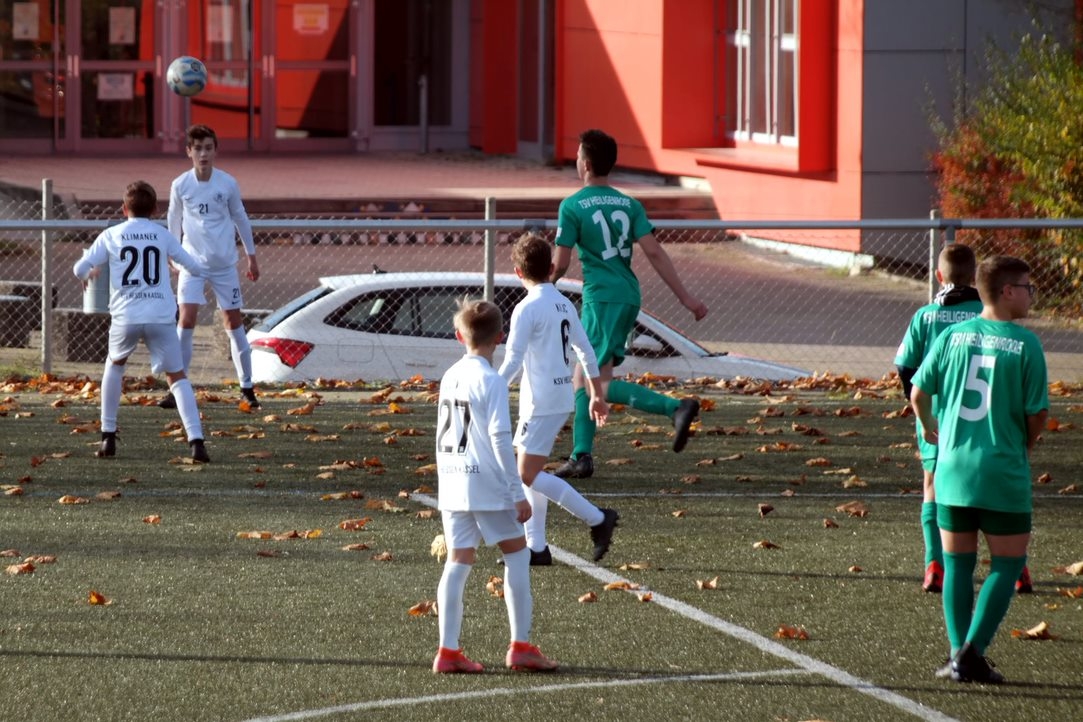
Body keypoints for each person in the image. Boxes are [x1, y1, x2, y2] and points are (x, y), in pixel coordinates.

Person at [911, 255, 1048, 684]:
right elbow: (1037, 413)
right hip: (1001, 469)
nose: (1030, 295)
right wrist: (1025, 445)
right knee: (1007, 565)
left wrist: (930, 428)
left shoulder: (951, 335)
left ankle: (958, 654)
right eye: (1026, 287)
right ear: (1007, 291)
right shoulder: (1026, 344)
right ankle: (972, 654)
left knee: (957, 565)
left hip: (952, 469)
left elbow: (918, 393)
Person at [550, 129, 708, 479]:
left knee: (587, 381)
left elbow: (560, 263)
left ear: (585, 164)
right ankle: (582, 456)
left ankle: (674, 407)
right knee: (590, 377)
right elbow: (654, 252)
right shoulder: (629, 204)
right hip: (627, 295)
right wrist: (686, 298)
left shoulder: (572, 205)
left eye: (577, 156)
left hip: (601, 298)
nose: (576, 160)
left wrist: (543, 288)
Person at [432, 298, 558, 674]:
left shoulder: (450, 375)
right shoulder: (492, 380)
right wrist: (517, 493)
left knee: (458, 562)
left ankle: (447, 650)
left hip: (452, 482)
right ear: (500, 337)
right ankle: (521, 646)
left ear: (459, 336)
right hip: (485, 484)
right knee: (518, 555)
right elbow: (501, 439)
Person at [499, 233, 619, 565]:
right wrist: (596, 394)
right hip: (557, 396)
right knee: (530, 471)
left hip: (542, 402)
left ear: (518, 272)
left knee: (526, 474)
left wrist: (489, 386)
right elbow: (586, 351)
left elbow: (513, 359)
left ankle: (598, 518)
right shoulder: (564, 303)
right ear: (551, 268)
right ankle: (536, 548)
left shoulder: (526, 308)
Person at [73, 181, 210, 463]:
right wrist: (176, 267)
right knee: (177, 377)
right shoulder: (162, 235)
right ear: (156, 209)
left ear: (124, 209)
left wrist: (89, 273)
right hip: (160, 315)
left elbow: (79, 268)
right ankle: (197, 442)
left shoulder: (111, 234)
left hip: (126, 316)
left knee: (115, 366)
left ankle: (108, 436)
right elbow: (194, 267)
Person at [159, 124, 260, 410]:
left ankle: (247, 388)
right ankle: (177, 388)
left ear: (215, 151)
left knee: (233, 322)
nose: (203, 154)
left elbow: (240, 218)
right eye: (198, 149)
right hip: (191, 264)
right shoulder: (180, 185)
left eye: (208, 148)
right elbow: (173, 220)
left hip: (224, 264)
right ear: (188, 152)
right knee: (186, 320)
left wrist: (251, 256)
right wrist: (173, 253)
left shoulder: (227, 183)